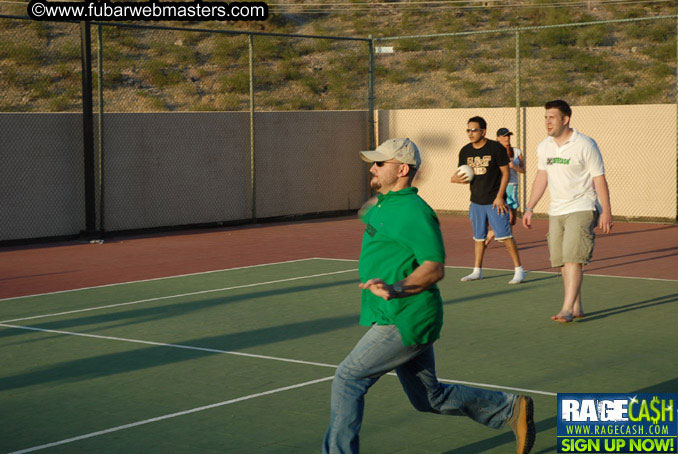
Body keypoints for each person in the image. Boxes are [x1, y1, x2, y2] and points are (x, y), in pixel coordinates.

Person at [322, 137, 536, 454]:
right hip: (394, 315)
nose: (374, 167)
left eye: (380, 163)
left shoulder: (414, 212)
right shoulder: (385, 203)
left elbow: (434, 267)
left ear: (402, 169)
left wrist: (395, 289)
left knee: (348, 379)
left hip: (404, 319)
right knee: (428, 398)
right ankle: (509, 408)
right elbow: (372, 216)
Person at [522, 100, 613, 323]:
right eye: (545, 117)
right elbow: (541, 177)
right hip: (556, 210)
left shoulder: (585, 144)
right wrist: (530, 207)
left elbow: (599, 178)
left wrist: (606, 212)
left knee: (573, 258)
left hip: (582, 207)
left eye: (552, 117)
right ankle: (577, 305)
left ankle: (566, 309)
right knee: (563, 261)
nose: (547, 121)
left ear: (565, 119)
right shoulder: (545, 146)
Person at [450, 117, 526, 284]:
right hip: (476, 200)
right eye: (468, 130)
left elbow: (505, 173)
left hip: (494, 201)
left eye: (474, 130)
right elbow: (464, 175)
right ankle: (477, 271)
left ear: (483, 131)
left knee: (505, 236)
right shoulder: (465, 151)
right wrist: (455, 179)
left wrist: (500, 197)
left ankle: (519, 270)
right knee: (479, 237)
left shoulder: (495, 148)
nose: (470, 133)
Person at [485, 128, 526, 245]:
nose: (506, 138)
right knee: (506, 215)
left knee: (512, 220)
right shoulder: (494, 151)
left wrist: (514, 167)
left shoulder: (517, 152)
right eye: (503, 136)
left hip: (512, 186)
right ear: (498, 138)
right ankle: (509, 242)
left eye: (508, 136)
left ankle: (492, 233)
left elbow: (523, 170)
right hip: (501, 185)